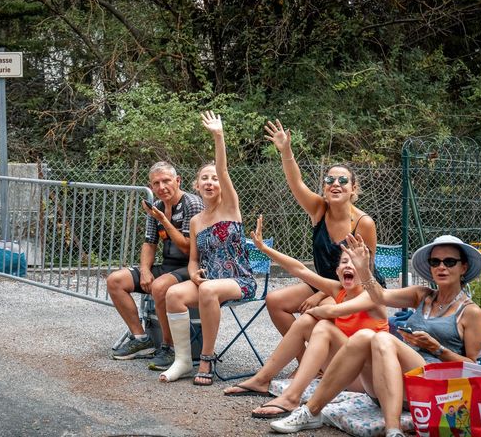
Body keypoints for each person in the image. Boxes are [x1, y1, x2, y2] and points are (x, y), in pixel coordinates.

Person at [270, 234, 481, 437]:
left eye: (449, 262)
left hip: (435, 392)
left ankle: (393, 430)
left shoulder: (470, 312)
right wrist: (364, 269)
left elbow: (476, 369)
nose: (441, 267)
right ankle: (311, 411)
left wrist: (437, 349)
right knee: (364, 336)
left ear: (463, 267)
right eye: (435, 262)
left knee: (381, 337)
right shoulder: (422, 296)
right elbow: (380, 295)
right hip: (390, 388)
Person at [222, 215, 387, 419]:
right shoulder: (338, 289)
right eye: (344, 261)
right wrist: (264, 248)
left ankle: (291, 397)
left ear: (364, 268)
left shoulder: (374, 294)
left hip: (368, 378)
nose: (349, 266)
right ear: (336, 271)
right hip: (343, 371)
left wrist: (317, 310)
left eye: (355, 262)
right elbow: (300, 269)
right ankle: (262, 379)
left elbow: (334, 312)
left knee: (323, 326)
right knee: (308, 322)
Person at [262, 119, 384, 345]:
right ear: (324, 187)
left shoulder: (363, 223)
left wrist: (323, 294)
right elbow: (295, 183)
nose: (335, 183)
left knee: (315, 312)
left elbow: (366, 272)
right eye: (329, 179)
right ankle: (306, 362)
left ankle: (323, 364)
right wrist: (286, 151)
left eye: (343, 180)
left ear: (353, 189)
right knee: (274, 300)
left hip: (354, 287)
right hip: (322, 282)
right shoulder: (319, 210)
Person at [159, 111, 257, 386]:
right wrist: (193, 275)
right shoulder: (195, 221)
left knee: (209, 289)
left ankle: (207, 357)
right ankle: (182, 360)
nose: (211, 182)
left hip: (239, 280)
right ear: (196, 185)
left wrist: (218, 136)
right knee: (174, 294)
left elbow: (224, 170)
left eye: (214, 178)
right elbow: (193, 260)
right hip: (207, 281)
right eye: (205, 178)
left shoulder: (230, 207)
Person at [108, 162, 204, 369]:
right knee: (115, 280)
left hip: (193, 267)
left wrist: (164, 220)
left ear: (178, 181)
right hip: (168, 265)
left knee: (160, 286)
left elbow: (188, 248)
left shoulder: (192, 204)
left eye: (166, 181)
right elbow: (149, 243)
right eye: (156, 183)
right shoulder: (157, 207)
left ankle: (168, 347)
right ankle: (142, 338)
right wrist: (144, 270)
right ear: (151, 187)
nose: (162, 187)